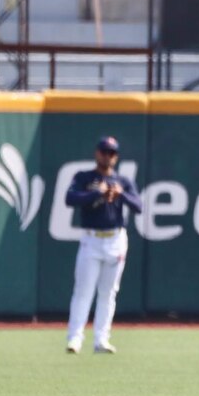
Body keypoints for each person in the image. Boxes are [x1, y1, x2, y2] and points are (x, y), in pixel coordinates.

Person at [64, 136, 142, 354]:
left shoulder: (123, 182)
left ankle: (101, 339)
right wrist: (95, 193)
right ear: (97, 153)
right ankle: (75, 338)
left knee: (108, 293)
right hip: (92, 238)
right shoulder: (85, 177)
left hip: (116, 239)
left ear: (115, 157)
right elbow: (70, 199)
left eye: (111, 153)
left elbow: (139, 206)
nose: (107, 156)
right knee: (83, 291)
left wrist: (121, 194)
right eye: (104, 151)